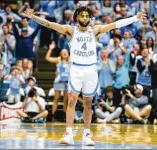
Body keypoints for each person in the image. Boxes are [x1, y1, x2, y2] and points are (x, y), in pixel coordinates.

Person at [24, 7, 145, 146]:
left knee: (88, 103)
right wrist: (34, 18)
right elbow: (51, 25)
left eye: (87, 15)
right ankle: (69, 134)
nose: (85, 18)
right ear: (76, 17)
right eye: (82, 15)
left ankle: (87, 134)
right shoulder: (70, 30)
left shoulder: (96, 30)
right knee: (72, 100)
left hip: (91, 70)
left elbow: (116, 24)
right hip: (76, 69)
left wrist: (135, 18)